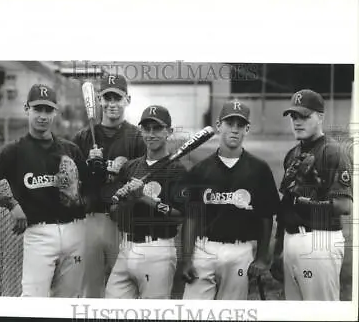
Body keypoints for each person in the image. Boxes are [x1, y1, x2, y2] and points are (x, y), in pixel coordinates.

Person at [0, 84, 94, 297]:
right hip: (39, 234)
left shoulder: (70, 149)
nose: (43, 116)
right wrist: (11, 203)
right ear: (27, 109)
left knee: (69, 302)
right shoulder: (13, 151)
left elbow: (91, 187)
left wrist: (92, 178)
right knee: (33, 302)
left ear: (55, 112)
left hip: (76, 233)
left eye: (48, 110)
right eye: (37, 109)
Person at [180, 100, 280, 300]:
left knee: (232, 312)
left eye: (240, 125)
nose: (234, 129)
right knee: (193, 310)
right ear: (218, 126)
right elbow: (191, 217)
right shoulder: (201, 170)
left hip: (240, 251)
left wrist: (261, 257)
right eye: (229, 123)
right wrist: (186, 258)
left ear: (247, 129)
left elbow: (266, 217)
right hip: (204, 248)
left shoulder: (259, 169)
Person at [271, 89, 353, 301]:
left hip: (320, 242)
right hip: (292, 240)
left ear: (321, 117)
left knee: (321, 312)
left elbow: (344, 206)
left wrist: (303, 200)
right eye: (293, 116)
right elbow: (286, 205)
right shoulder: (293, 154)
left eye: (305, 116)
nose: (297, 121)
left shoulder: (334, 152)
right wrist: (278, 249)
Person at [72, 73, 146, 298]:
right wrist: (88, 165)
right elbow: (71, 184)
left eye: (118, 98)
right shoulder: (83, 138)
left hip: (123, 223)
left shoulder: (136, 138)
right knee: (90, 291)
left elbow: (144, 179)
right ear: (99, 100)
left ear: (127, 100)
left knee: (122, 293)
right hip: (90, 221)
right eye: (108, 98)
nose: (112, 104)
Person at [104, 105, 187, 299]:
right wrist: (123, 201)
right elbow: (114, 214)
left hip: (157, 250)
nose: (151, 134)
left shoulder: (178, 170)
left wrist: (144, 198)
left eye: (157, 128)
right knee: (110, 309)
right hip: (126, 248)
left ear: (169, 132)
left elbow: (180, 216)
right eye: (146, 128)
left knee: (153, 314)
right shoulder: (131, 167)